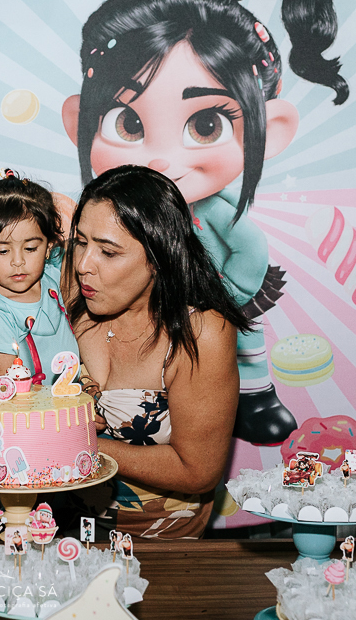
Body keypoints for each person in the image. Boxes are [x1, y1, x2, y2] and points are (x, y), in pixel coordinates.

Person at [61, 0, 348, 445]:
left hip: (213, 299)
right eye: (128, 123)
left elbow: (248, 247)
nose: (162, 159)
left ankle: (254, 398)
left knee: (240, 338)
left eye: (206, 124)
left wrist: (224, 294)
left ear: (270, 129)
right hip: (139, 328)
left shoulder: (216, 213)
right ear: (79, 124)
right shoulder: (105, 216)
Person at [63, 164, 250, 539]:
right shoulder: (70, 294)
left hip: (159, 540)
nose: (83, 265)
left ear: (158, 257)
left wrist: (77, 443)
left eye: (108, 252)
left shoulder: (201, 332)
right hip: (55, 525)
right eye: (81, 242)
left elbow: (197, 470)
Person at [0, 170, 77, 383]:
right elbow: (8, 387)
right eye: (3, 251)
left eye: (30, 248)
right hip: (31, 405)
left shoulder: (54, 276)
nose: (18, 261)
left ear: (49, 246)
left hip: (75, 398)